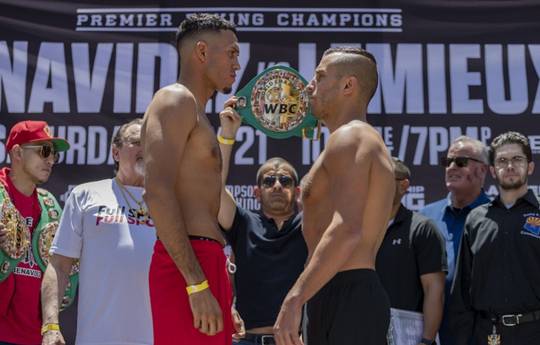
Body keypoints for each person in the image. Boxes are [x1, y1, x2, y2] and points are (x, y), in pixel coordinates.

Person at [273, 47, 395, 345]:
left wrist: (294, 298)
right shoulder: (355, 138)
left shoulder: (351, 136)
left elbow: (346, 229)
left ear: (348, 86)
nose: (308, 86)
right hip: (337, 289)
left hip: (347, 292)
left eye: (320, 76)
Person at [141, 13, 241, 345]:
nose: (237, 64)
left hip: (206, 262)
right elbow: (156, 192)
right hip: (187, 267)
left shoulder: (199, 114)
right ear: (201, 52)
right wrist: (196, 283)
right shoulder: (175, 99)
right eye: (231, 53)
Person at [40, 119, 155, 345]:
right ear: (115, 152)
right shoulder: (87, 195)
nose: (144, 148)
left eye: (150, 143)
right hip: (97, 337)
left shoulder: (168, 202)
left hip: (156, 337)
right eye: (135, 142)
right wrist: (51, 326)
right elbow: (59, 265)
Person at [217, 101, 308, 345]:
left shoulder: (310, 224)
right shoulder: (244, 222)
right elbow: (212, 190)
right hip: (247, 340)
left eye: (285, 181)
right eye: (269, 181)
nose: (277, 185)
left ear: (297, 191)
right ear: (257, 192)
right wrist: (227, 135)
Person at [450, 131, 540, 345]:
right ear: (492, 170)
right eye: (502, 160)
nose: (509, 166)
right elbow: (461, 292)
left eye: (517, 159)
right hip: (487, 336)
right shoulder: (476, 219)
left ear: (530, 167)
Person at [0, 120, 69, 345]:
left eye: (54, 154)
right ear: (18, 152)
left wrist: (51, 327)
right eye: (44, 151)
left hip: (37, 338)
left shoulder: (50, 207)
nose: (50, 160)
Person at [420, 136, 490, 345]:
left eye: (460, 162)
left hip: (482, 335)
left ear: (482, 170)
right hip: (433, 336)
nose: (451, 167)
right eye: (447, 161)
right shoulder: (425, 216)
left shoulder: (496, 219)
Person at [376, 157, 447, 345]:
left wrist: (427, 340)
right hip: (363, 330)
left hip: (408, 335)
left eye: (383, 178)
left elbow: (434, 289)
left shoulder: (422, 229)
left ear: (403, 185)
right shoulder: (358, 230)